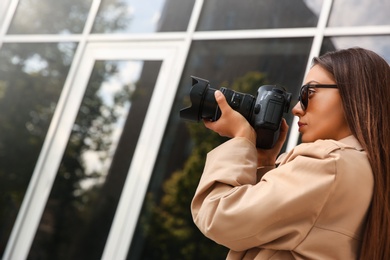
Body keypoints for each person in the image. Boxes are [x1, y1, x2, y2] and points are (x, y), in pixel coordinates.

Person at [191, 47, 390, 259]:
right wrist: (264, 163)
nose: (296, 108)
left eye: (308, 93)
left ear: (355, 94)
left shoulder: (329, 163)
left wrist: (241, 138)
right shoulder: (368, 170)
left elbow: (220, 217)